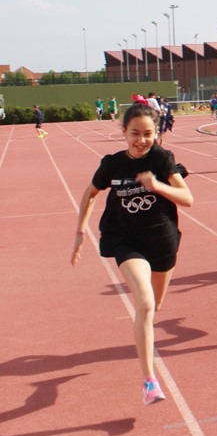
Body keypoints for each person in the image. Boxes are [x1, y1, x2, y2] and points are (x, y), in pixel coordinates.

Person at [70, 103, 194, 404]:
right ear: (123, 132)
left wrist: (158, 185)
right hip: (126, 239)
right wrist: (80, 231)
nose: (141, 140)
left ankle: (144, 334)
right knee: (146, 302)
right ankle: (149, 381)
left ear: (156, 133)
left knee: (154, 307)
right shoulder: (112, 164)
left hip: (162, 241)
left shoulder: (162, 159)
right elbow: (90, 193)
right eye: (135, 133)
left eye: (148, 134)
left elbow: (187, 199)